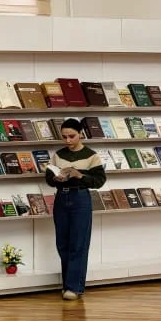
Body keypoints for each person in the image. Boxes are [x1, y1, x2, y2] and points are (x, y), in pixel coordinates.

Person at [46, 118, 106, 301]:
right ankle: (68, 285)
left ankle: (74, 287)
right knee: (62, 243)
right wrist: (56, 178)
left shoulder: (91, 156)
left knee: (78, 243)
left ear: (81, 134)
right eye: (64, 137)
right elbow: (48, 179)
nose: (68, 140)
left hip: (80, 198)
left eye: (71, 136)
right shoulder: (58, 155)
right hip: (61, 198)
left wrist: (79, 175)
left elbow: (99, 181)